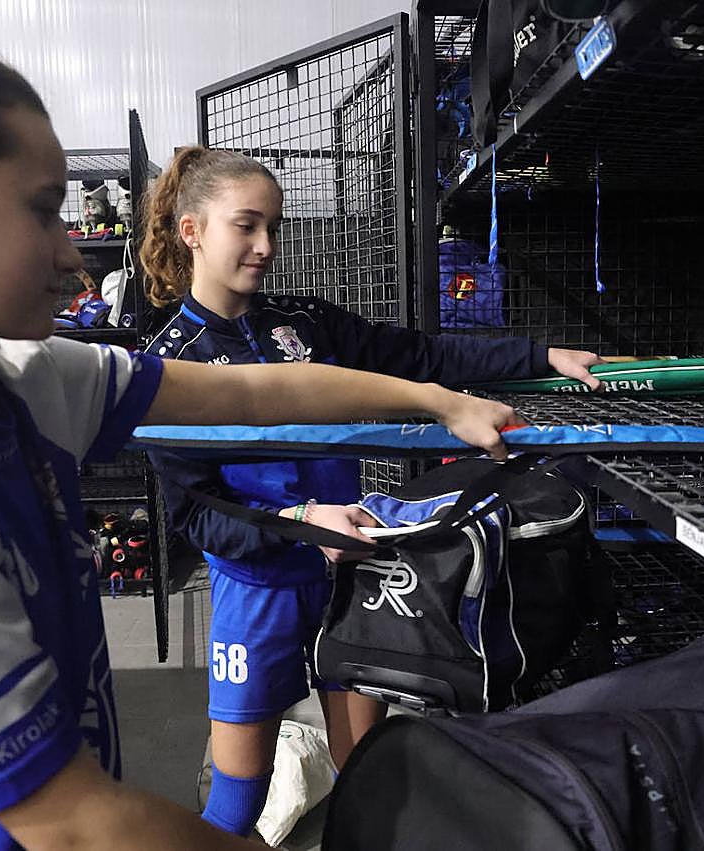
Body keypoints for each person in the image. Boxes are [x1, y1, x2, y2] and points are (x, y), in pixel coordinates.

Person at [0, 21, 523, 851]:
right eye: (44, 211)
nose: (72, 258)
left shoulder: (27, 378)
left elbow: (260, 392)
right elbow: (76, 826)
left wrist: (439, 399)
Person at [138, 145, 604, 838]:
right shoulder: (166, 366)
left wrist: (541, 356)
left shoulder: (306, 324)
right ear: (192, 230)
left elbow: (425, 356)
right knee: (236, 805)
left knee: (363, 782)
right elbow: (196, 515)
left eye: (275, 227)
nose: (266, 246)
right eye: (247, 225)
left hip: (352, 581)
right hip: (257, 593)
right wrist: (299, 520)